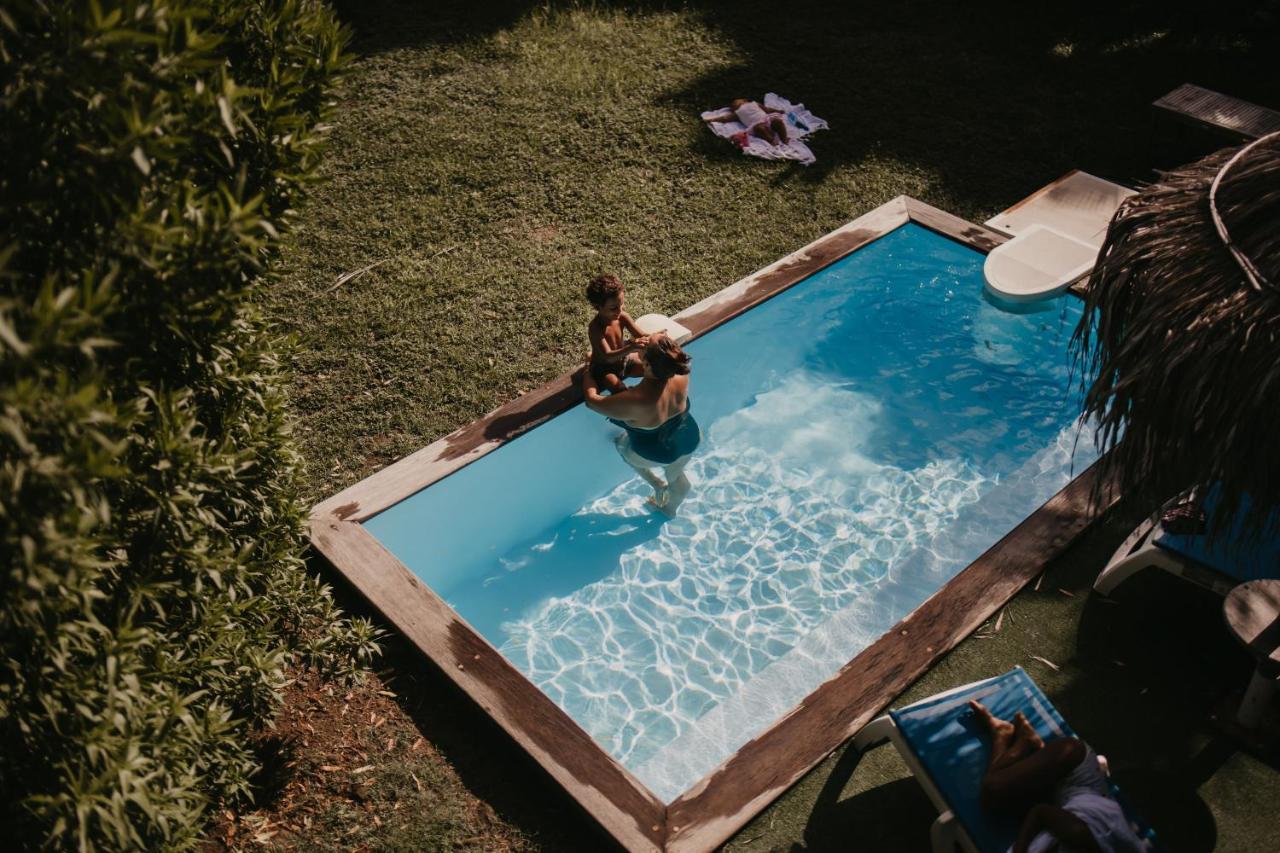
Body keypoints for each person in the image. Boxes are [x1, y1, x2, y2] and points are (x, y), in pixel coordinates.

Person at [968, 700, 1147, 853]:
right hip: (1074, 766)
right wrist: (1020, 848)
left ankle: (1017, 739)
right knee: (992, 789)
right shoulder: (1079, 836)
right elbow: (1040, 812)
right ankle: (1013, 739)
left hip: (1063, 796)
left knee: (995, 807)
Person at [582, 334, 701, 516]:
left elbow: (592, 401)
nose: (641, 339)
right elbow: (655, 367)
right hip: (690, 438)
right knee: (675, 475)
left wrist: (589, 369)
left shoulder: (635, 401)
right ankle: (669, 510)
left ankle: (656, 484)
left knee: (622, 447)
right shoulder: (680, 374)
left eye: (644, 344)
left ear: (646, 364)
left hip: (654, 454)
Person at [586, 273, 649, 392]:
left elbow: (641, 335)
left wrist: (656, 336)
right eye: (613, 308)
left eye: (621, 304)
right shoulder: (596, 328)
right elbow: (608, 356)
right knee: (620, 390)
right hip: (604, 368)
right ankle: (588, 368)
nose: (620, 311)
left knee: (655, 370)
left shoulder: (622, 317)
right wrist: (632, 347)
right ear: (597, 306)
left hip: (625, 361)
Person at [706, 97, 790, 146]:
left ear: (746, 100)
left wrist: (778, 111)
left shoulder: (754, 103)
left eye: (739, 101)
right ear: (733, 109)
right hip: (756, 125)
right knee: (759, 129)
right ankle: (771, 140)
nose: (737, 103)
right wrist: (711, 119)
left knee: (778, 122)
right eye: (734, 105)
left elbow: (767, 109)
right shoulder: (737, 113)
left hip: (767, 119)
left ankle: (784, 139)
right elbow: (725, 118)